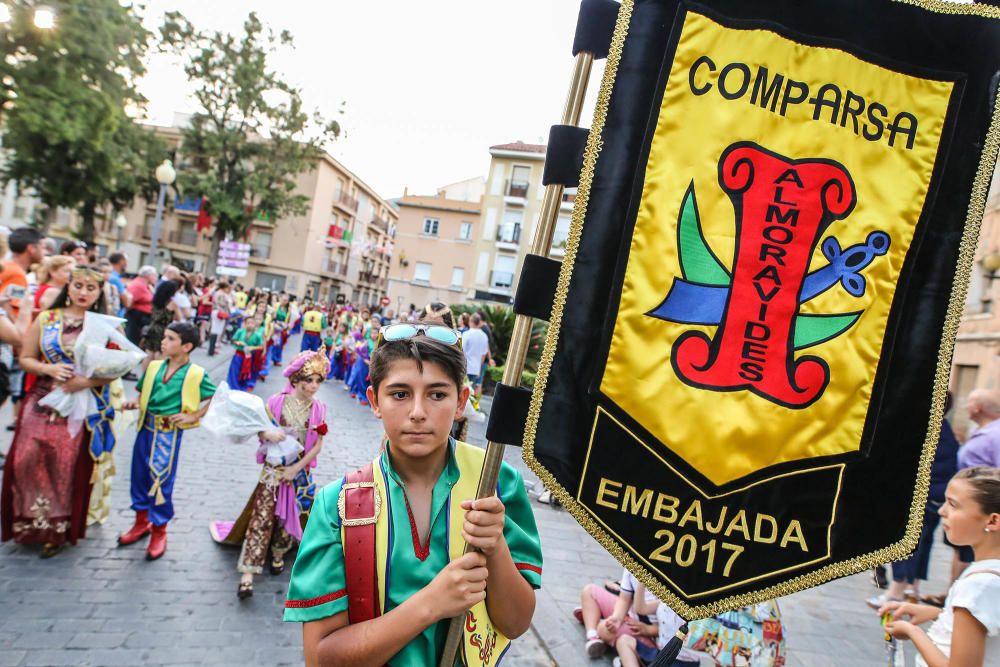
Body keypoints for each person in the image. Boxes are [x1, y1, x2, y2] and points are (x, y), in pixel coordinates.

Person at [284, 321, 542, 665]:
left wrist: (496, 547)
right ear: (375, 400)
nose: (418, 412)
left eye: (437, 394)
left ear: (461, 400)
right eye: (400, 394)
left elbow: (516, 622)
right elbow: (321, 658)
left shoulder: (494, 482)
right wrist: (430, 604)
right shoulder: (339, 505)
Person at [0, 266, 116, 557]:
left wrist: (86, 382)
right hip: (42, 397)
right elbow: (25, 358)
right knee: (26, 459)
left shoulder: (106, 325)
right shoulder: (47, 318)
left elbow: (116, 368)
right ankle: (25, 521)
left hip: (78, 403)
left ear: (100, 292)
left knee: (63, 464)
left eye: (91, 288)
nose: (83, 292)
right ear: (69, 286)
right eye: (78, 285)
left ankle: (56, 529)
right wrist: (48, 368)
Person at [211, 349, 329, 599]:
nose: (314, 385)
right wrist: (266, 435)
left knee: (291, 517)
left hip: (298, 474)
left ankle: (278, 551)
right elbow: (258, 429)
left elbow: (318, 444)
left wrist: (296, 469)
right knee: (261, 517)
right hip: (273, 473)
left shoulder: (319, 408)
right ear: (296, 379)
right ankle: (248, 573)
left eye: (319, 380)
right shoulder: (276, 402)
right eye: (309, 380)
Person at [879, 467, 1000, 666]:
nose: (942, 511)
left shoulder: (978, 586)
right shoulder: (988, 575)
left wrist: (912, 631)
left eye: (953, 505)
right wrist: (939, 614)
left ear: (993, 520)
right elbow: (985, 625)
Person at [116, 322, 216, 560]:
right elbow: (143, 392)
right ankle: (141, 522)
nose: (164, 341)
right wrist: (136, 402)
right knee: (139, 475)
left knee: (160, 480)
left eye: (171, 339)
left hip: (168, 433)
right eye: (165, 337)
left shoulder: (196, 374)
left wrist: (195, 415)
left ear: (187, 346)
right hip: (145, 428)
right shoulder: (154, 367)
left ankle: (159, 530)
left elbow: (217, 395)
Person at [575, 569, 660, 660]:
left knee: (604, 629)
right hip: (629, 615)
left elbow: (673, 627)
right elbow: (624, 599)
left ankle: (594, 618)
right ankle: (593, 636)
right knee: (589, 590)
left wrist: (649, 630)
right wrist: (616, 619)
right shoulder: (633, 565)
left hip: (651, 635)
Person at [141, 280, 180, 367]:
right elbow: (178, 318)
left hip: (152, 328)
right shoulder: (172, 304)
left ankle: (145, 376)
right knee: (160, 353)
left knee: (149, 355)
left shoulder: (155, 301)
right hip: (163, 330)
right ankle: (155, 375)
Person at [227, 315, 264, 392]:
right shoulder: (240, 331)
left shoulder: (257, 335)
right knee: (235, 371)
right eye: (248, 323)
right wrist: (238, 342)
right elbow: (233, 340)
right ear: (245, 324)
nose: (250, 324)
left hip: (249, 356)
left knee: (246, 372)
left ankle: (243, 387)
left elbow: (261, 346)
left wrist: (252, 348)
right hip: (239, 355)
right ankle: (233, 387)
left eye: (252, 323)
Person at [125, 266, 157, 347]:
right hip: (136, 317)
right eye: (154, 275)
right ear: (148, 275)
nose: (155, 278)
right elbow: (129, 301)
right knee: (133, 340)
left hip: (142, 318)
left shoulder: (146, 285)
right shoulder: (138, 285)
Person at [462, 313, 491, 397]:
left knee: (461, 392)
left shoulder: (466, 334)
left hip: (465, 367)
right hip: (475, 369)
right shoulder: (484, 336)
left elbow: (462, 351)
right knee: (470, 394)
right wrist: (478, 369)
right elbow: (483, 354)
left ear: (471, 321)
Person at [208, 281, 232, 357]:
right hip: (220, 312)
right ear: (225, 288)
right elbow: (223, 304)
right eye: (228, 288)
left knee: (215, 329)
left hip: (215, 311)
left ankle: (212, 348)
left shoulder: (217, 293)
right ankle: (213, 348)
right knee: (217, 330)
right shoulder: (222, 295)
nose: (229, 290)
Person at [107, 252, 131, 317]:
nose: (127, 264)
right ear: (121, 262)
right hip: (115, 316)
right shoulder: (114, 279)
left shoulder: (115, 277)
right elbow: (127, 303)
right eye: (126, 260)